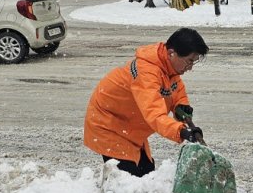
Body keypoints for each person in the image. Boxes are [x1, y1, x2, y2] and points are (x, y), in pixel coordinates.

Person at [83, 28, 208, 177]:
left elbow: (175, 86)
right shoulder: (147, 72)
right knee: (128, 180)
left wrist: (180, 104)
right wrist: (180, 131)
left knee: (147, 171)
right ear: (171, 53)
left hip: (130, 125)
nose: (190, 68)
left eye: (193, 62)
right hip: (109, 124)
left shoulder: (168, 66)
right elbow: (154, 114)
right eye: (189, 61)